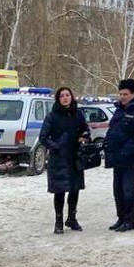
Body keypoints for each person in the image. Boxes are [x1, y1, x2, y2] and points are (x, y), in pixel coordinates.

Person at [39, 86, 90, 234]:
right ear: (58, 99)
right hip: (58, 159)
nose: (65, 98)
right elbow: (43, 137)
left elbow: (85, 129)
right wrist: (56, 146)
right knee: (59, 191)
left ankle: (72, 218)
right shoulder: (52, 116)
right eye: (62, 96)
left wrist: (83, 138)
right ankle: (59, 221)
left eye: (68, 95)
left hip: (75, 157)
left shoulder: (78, 114)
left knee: (75, 189)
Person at [104, 78, 134, 232]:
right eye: (120, 94)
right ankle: (121, 218)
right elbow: (113, 131)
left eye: (125, 94)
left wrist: (125, 151)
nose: (122, 97)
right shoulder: (120, 110)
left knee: (128, 190)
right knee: (117, 190)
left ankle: (130, 219)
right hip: (117, 158)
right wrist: (108, 145)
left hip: (131, 159)